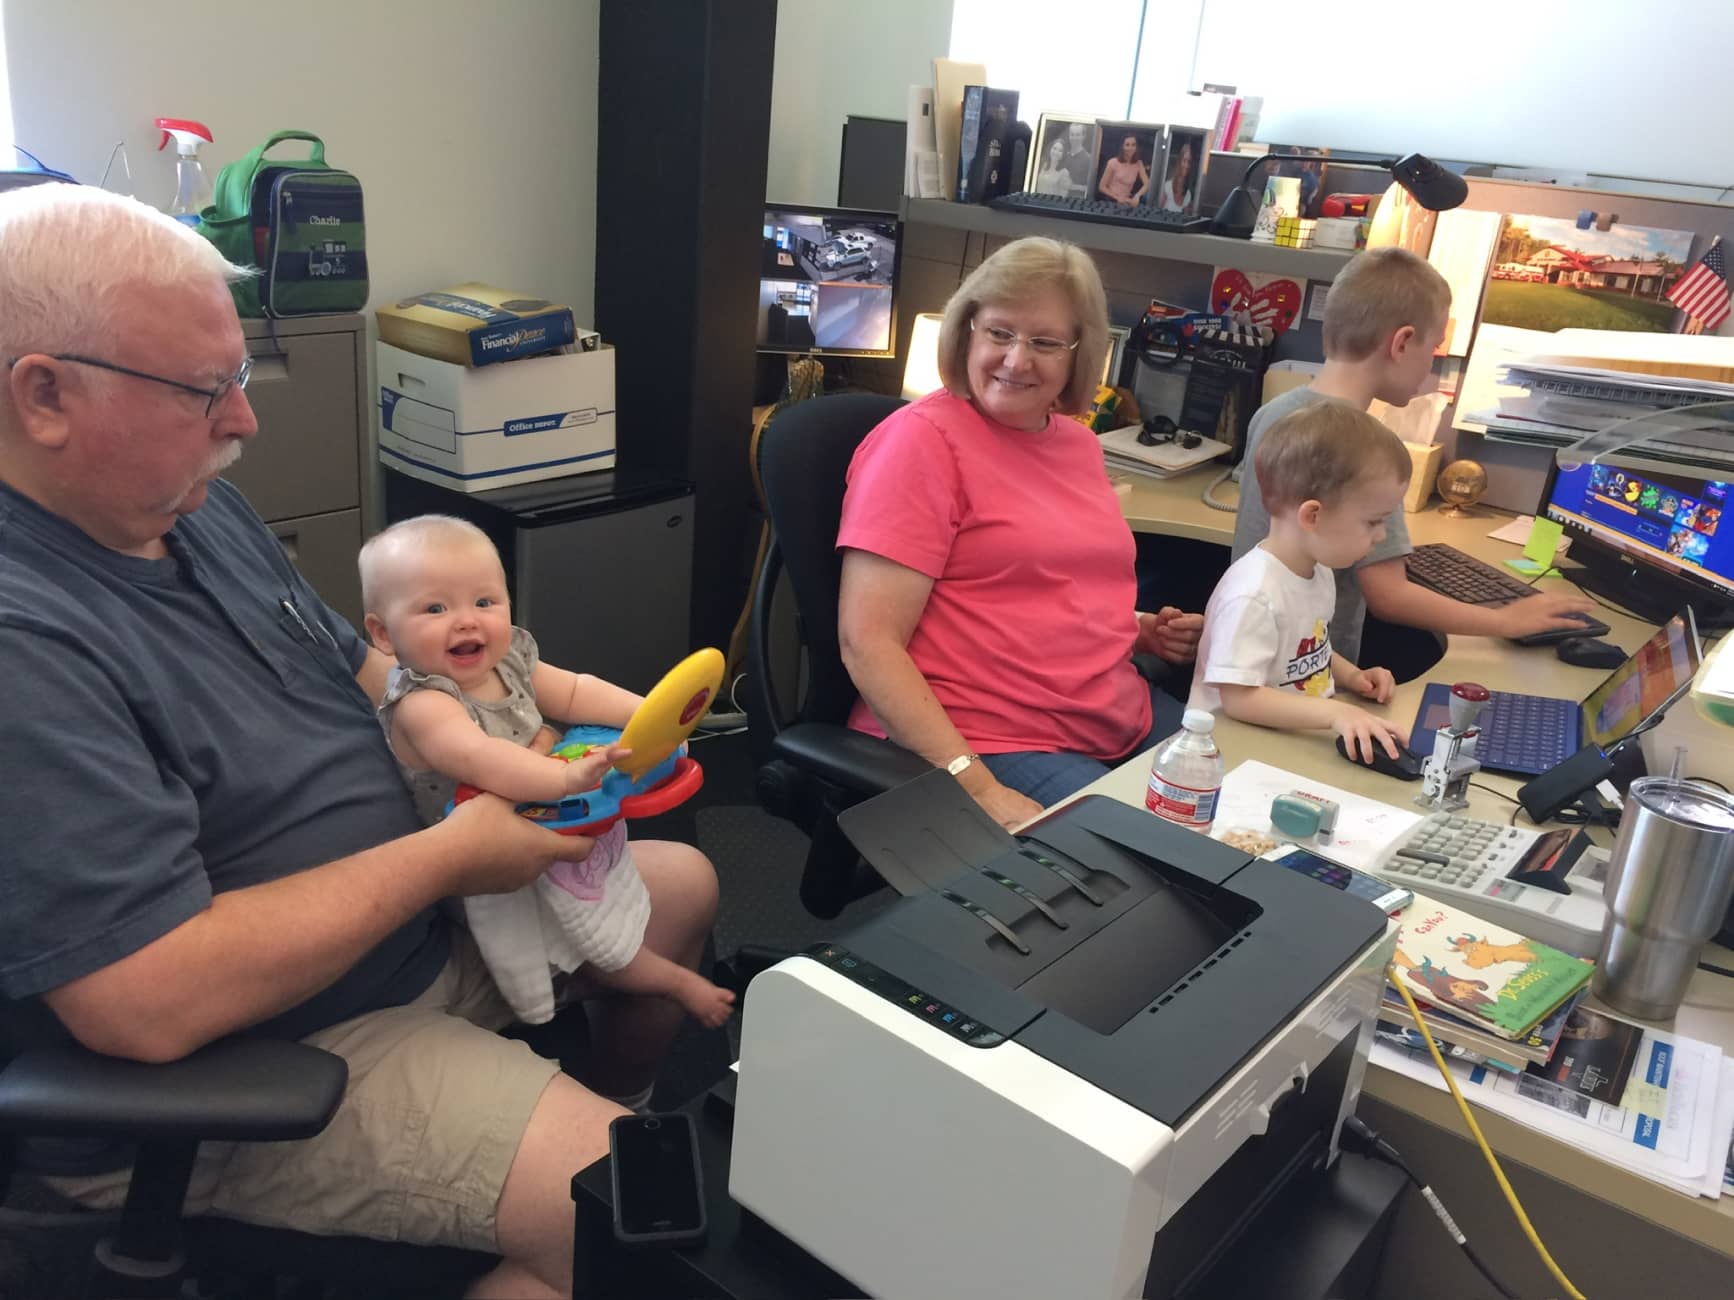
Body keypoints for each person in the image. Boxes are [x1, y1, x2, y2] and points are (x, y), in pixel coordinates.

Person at [0, 184, 719, 1300]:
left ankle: (570, 1121)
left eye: (239, 378)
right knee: (640, 1223)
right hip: (271, 1046)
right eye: (205, 391)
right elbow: (145, 999)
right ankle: (560, 1203)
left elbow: (375, 671)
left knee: (681, 889)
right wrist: (450, 854)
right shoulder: (26, 639)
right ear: (43, 395)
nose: (243, 421)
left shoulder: (187, 507)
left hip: (416, 922)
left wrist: (500, 742)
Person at [837, 236, 1203, 830]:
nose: (1015, 360)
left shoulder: (1078, 444)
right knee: (1158, 863)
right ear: (968, 331)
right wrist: (977, 786)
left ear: (1078, 355)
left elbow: (1037, 585)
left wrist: (1136, 631)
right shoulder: (920, 443)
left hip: (1107, 713)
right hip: (985, 735)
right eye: (999, 333)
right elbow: (867, 642)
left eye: (1045, 342)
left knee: (1243, 812)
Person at [359, 514, 735, 1030]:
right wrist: (560, 778)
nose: (467, 621)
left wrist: (650, 718)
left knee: (600, 891)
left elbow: (577, 691)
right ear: (382, 634)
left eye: (484, 601)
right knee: (585, 934)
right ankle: (665, 982)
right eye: (435, 608)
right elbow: (479, 757)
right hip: (478, 869)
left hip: (540, 817)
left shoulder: (509, 657)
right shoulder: (423, 703)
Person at [1231, 247, 1592, 667]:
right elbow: (1389, 595)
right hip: (1306, 674)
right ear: (1402, 342)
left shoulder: (1274, 412)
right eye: (1434, 348)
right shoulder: (1364, 447)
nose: (1430, 366)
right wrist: (1506, 619)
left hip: (1257, 652)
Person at [1189, 402, 1412, 764]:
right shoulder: (1254, 594)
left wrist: (1352, 677)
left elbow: (1307, 645)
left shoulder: (1316, 570)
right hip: (1232, 756)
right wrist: (1336, 714)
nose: (1381, 536)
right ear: (1313, 515)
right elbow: (1239, 698)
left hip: (1287, 743)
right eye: (1372, 522)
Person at [1097, 134, 1150, 207]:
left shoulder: (1139, 163)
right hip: (1110, 200)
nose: (1130, 148)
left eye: (1133, 145)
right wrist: (1117, 198)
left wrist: (1137, 196)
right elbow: (1101, 187)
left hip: (1127, 201)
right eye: (1127, 145)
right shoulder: (1113, 162)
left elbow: (1147, 184)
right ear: (1122, 147)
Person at [1158, 140, 1196, 214]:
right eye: (1184, 160)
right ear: (1180, 161)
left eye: (1189, 162)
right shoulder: (1167, 186)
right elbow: (1158, 212)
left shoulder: (1188, 195)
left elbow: (1186, 220)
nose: (1187, 165)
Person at [1062, 121, 1095, 196]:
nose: (1074, 138)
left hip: (1077, 201)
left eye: (1077, 135)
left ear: (1083, 136)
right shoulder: (1063, 156)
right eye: (1072, 134)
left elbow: (1091, 188)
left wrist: (1073, 187)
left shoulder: (1089, 159)